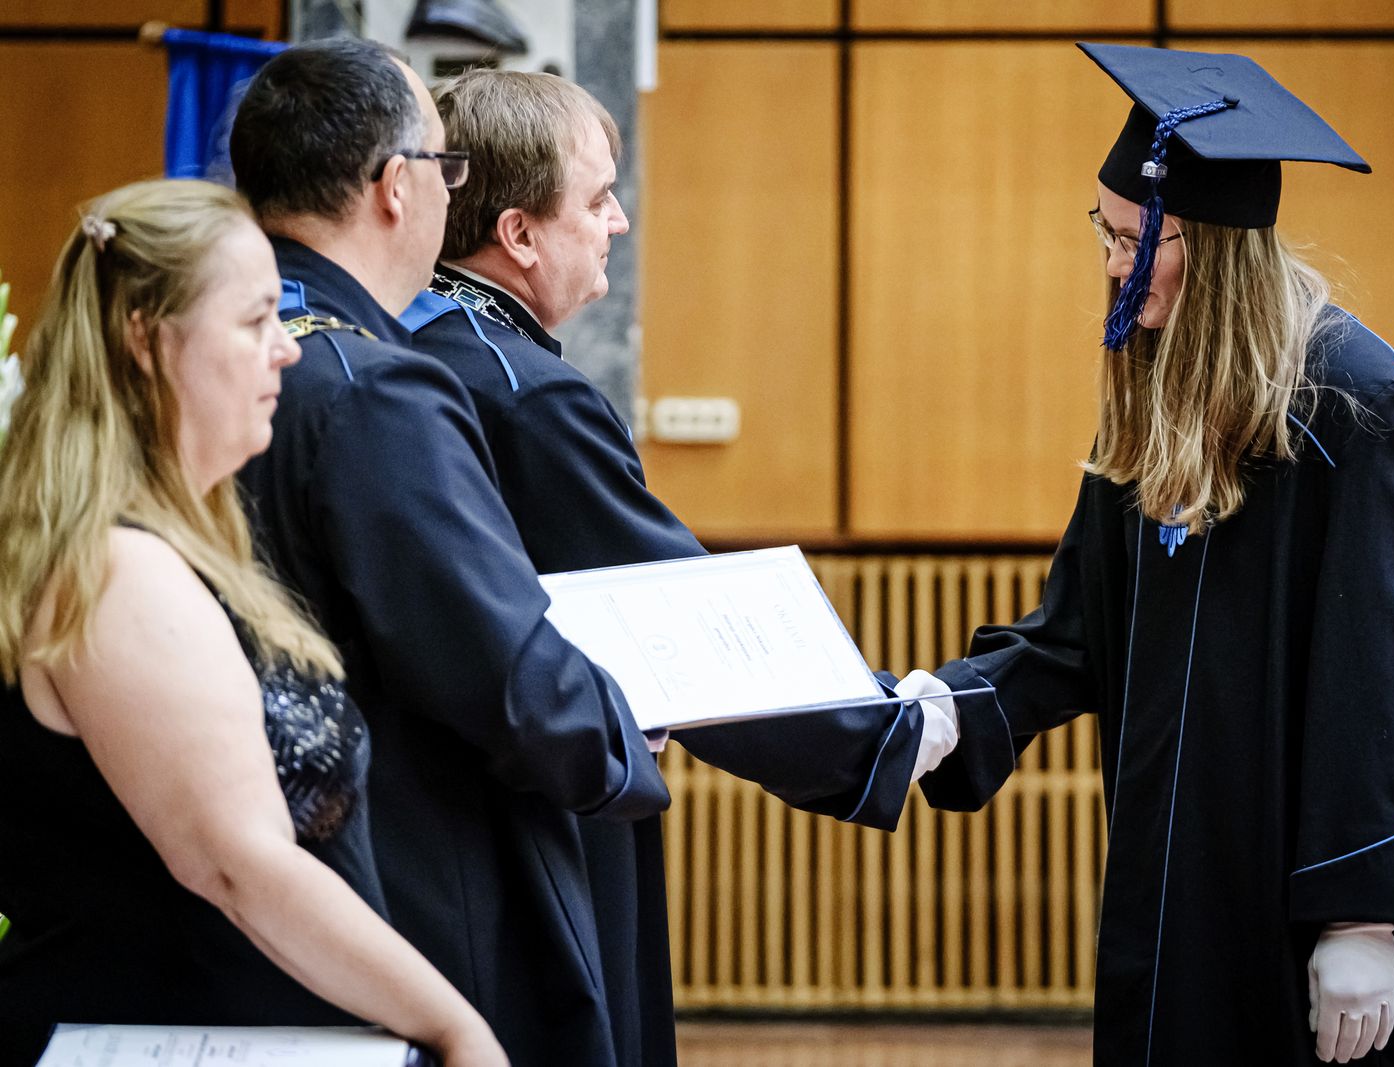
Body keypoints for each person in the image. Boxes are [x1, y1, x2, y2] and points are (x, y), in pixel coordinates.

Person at [909, 44, 1394, 1066]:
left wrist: (1361, 910)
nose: (1113, 264)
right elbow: (1075, 630)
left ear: (1219, 246)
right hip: (1179, 873)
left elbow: (1386, 674)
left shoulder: (1352, 405)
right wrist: (947, 707)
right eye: (1103, 233)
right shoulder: (1163, 392)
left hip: (1302, 893)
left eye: (1136, 239)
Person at [398, 69, 960, 1065]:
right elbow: (672, 620)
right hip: (537, 813)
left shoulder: (403, 345)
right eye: (598, 199)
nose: (617, 222)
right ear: (520, 233)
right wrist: (885, 728)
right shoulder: (524, 392)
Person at [227, 39, 672, 1064]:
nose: (451, 191)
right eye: (445, 166)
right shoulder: (371, 384)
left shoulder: (220, 350)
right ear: (396, 186)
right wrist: (620, 734)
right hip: (408, 873)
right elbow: (505, 666)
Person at [0, 180, 505, 1067]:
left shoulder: (172, 537)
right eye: (256, 319)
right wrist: (458, 1028)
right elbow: (237, 863)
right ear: (146, 339)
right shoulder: (118, 568)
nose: (287, 349)